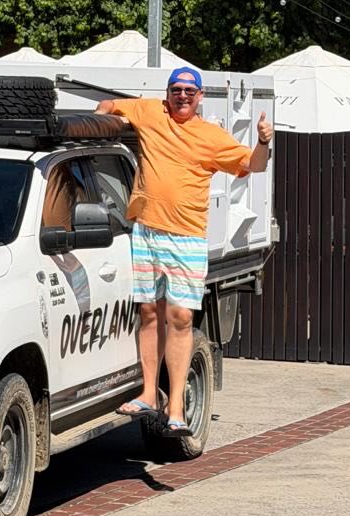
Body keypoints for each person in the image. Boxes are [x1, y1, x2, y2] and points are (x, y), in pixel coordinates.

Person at [96, 65, 274, 434]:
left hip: (187, 237)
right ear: (167, 93)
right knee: (148, 312)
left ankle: (175, 405)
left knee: (180, 318)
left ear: (199, 98)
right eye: (177, 90)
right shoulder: (149, 112)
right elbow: (110, 105)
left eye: (189, 92)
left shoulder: (211, 136)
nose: (182, 97)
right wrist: (97, 122)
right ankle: (148, 393)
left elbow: (253, 165)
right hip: (145, 231)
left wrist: (264, 141)